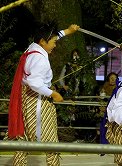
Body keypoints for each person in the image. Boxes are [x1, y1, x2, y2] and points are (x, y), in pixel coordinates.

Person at [6, 21, 79, 166]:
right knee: (51, 142)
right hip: (37, 102)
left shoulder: (33, 48)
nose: (55, 45)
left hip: (27, 100)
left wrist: (68, 31)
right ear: (43, 41)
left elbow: (54, 36)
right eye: (53, 42)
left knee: (23, 139)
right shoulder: (39, 59)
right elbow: (35, 83)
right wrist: (53, 94)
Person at [99, 72, 118, 146]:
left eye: (115, 78)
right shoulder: (104, 88)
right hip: (104, 113)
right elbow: (101, 100)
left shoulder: (119, 89)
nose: (113, 80)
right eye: (111, 78)